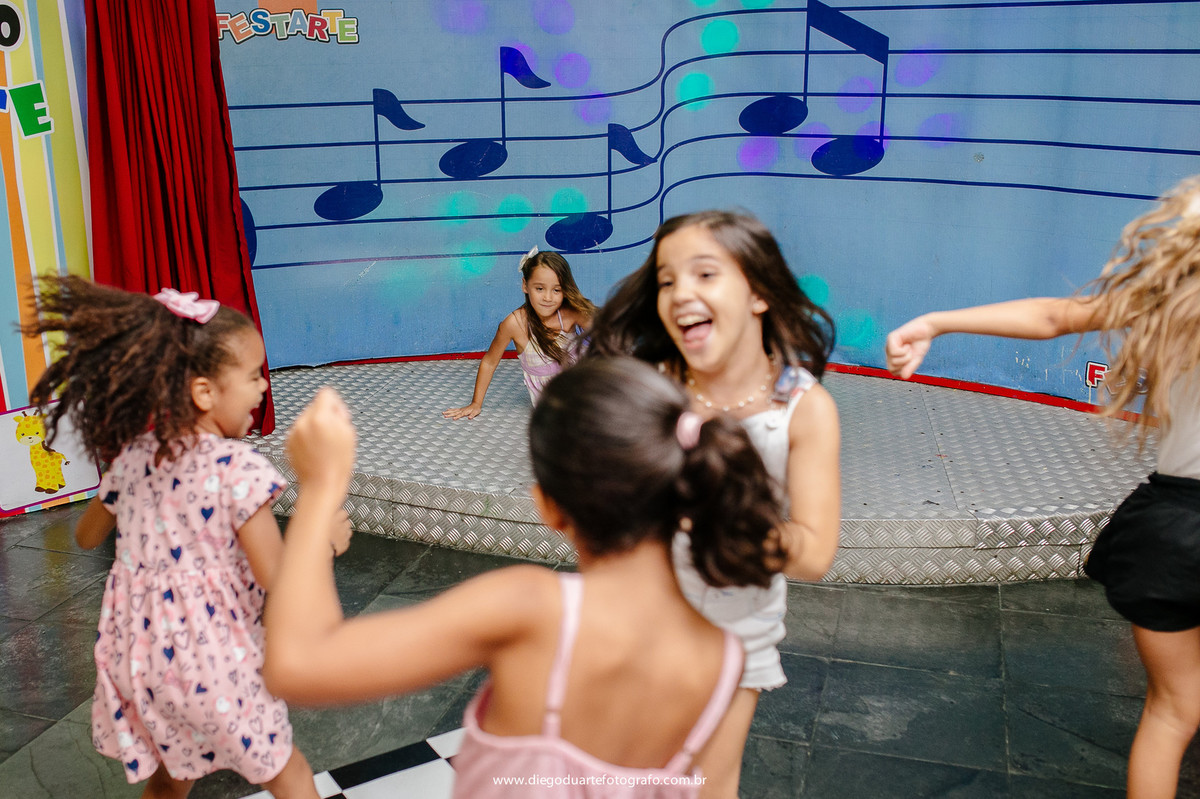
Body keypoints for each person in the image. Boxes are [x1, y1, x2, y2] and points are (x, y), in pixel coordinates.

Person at [266, 357, 790, 797]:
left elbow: (297, 664)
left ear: (548, 507)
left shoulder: (532, 606)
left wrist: (319, 489)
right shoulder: (724, 657)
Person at [885, 175, 1200, 799]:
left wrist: (935, 321)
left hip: (1175, 532)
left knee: (1172, 711)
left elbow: (1054, 316)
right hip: (1177, 523)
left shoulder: (1174, 300)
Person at [24, 277, 349, 799]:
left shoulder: (134, 456)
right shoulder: (236, 469)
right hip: (215, 660)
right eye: (252, 376)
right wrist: (323, 537)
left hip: (143, 659)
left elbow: (86, 537)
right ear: (203, 392)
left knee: (174, 775)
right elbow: (281, 584)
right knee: (285, 770)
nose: (263, 387)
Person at [585, 210, 842, 797]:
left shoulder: (802, 408)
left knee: (706, 785)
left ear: (757, 293)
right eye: (668, 280)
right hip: (635, 621)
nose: (681, 295)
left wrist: (724, 515)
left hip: (733, 630)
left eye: (704, 274)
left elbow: (813, 553)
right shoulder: (650, 385)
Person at [443, 247, 594, 419]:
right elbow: (489, 362)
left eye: (556, 290)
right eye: (539, 288)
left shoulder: (569, 314)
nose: (547, 297)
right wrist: (476, 403)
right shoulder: (515, 324)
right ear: (525, 285)